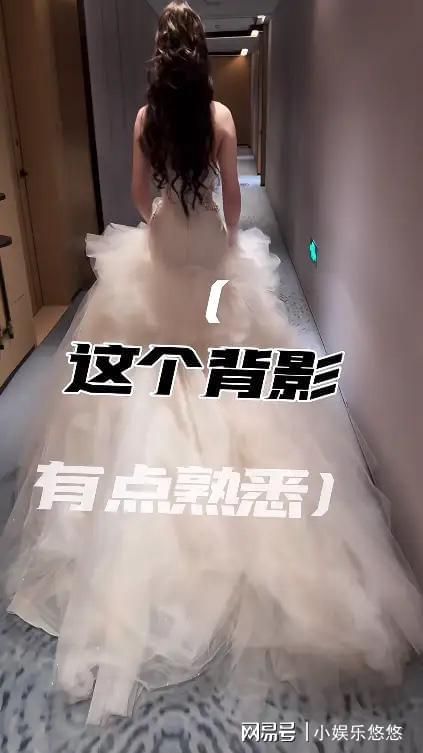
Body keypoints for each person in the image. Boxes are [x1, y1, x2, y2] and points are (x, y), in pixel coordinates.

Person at [1, 0, 422, 727]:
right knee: (227, 355)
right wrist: (219, 248)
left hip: (166, 241)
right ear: (199, 56)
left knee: (143, 359)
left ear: (159, 55)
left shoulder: (145, 119)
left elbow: (140, 195)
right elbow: (230, 200)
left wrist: (165, 223)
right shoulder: (221, 118)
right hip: (206, 244)